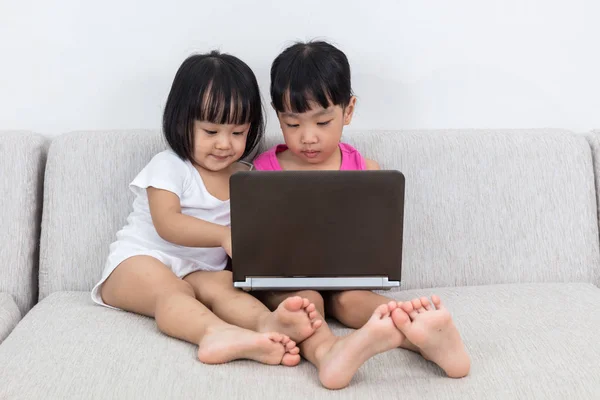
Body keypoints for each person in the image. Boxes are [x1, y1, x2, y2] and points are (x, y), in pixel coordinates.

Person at [253, 41, 471, 388]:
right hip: (285, 280)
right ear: (278, 116)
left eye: (323, 122)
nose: (308, 138)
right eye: (292, 125)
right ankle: (332, 352)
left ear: (348, 110)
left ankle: (426, 339)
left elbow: (374, 237)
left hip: (347, 278)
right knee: (302, 304)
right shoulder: (262, 172)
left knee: (352, 300)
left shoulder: (365, 170)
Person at [91, 51, 323, 367]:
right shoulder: (170, 166)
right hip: (139, 261)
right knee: (172, 294)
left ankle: (267, 326)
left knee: (228, 289)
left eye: (237, 132)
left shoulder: (246, 177)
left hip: (201, 271)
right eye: (211, 131)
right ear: (181, 122)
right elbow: (167, 223)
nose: (224, 144)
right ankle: (214, 333)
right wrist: (224, 235)